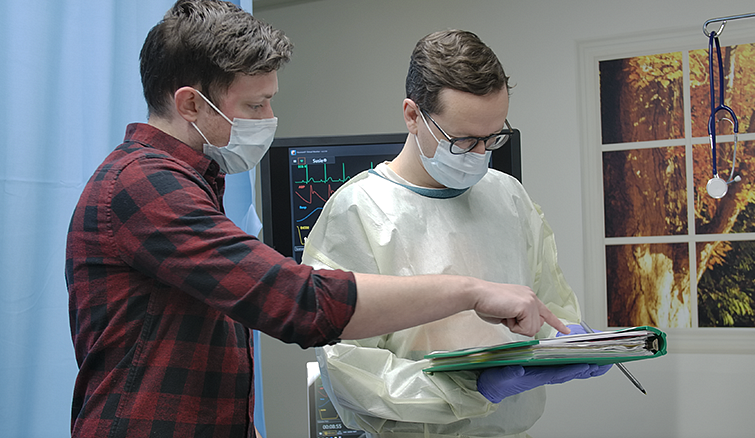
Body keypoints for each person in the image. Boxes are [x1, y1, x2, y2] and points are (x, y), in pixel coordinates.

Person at [65, 3, 571, 438]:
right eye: (255, 103)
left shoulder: (189, 185)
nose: (267, 118)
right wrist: (470, 292)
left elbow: (191, 351)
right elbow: (299, 302)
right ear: (190, 103)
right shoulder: (142, 187)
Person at [302, 30, 610, 438]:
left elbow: (547, 307)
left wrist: (566, 342)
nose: (481, 154)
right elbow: (350, 370)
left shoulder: (507, 196)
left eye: (493, 137)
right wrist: (470, 390)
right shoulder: (359, 211)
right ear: (413, 115)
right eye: (464, 140)